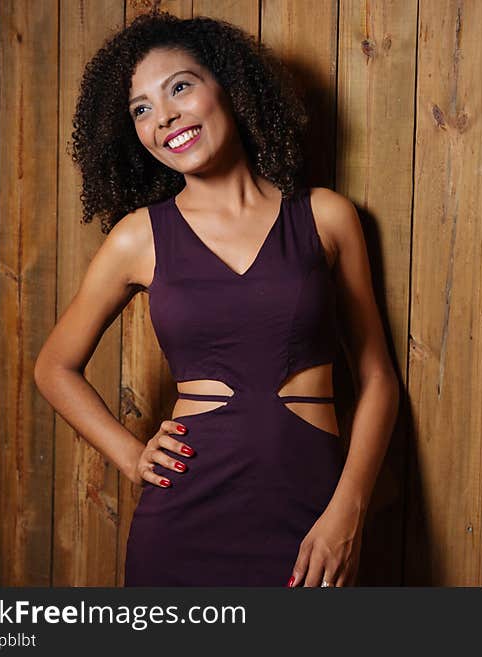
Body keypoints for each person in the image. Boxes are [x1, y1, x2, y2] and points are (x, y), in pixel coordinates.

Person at [34, 11, 399, 587]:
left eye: (179, 87)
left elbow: (377, 377)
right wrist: (132, 457)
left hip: (312, 515)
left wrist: (347, 510)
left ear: (227, 86)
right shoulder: (139, 237)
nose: (166, 116)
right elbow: (54, 367)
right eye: (142, 109)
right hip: (183, 523)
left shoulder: (326, 217)